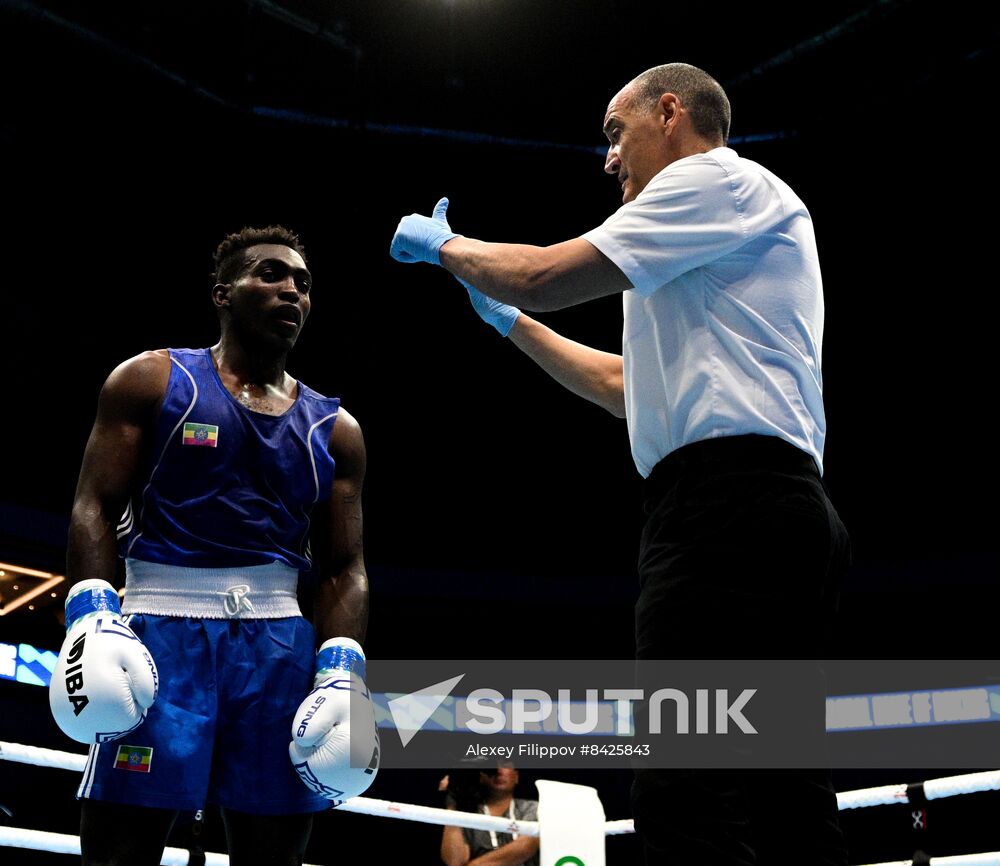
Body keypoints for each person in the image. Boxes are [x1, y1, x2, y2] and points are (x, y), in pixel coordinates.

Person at [389, 63, 849, 866]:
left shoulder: (711, 181)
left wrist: (449, 248)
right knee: (780, 779)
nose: (607, 159)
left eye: (615, 133)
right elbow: (621, 387)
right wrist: (509, 322)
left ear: (670, 113)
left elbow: (544, 271)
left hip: (724, 512)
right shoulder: (705, 245)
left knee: (685, 778)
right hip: (770, 508)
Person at [50, 226, 377, 866]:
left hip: (279, 649)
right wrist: (89, 615)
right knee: (120, 849)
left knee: (273, 853)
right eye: (271, 274)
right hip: (157, 635)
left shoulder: (336, 430)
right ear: (223, 292)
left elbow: (345, 566)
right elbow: (93, 504)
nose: (291, 292)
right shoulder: (150, 381)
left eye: (303, 284)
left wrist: (343, 671)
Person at [440, 765, 540, 866]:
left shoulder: (533, 808)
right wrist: (452, 800)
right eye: (493, 766)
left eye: (505, 765)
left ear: (516, 777)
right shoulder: (469, 813)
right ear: (482, 777)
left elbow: (526, 846)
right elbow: (455, 861)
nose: (499, 772)